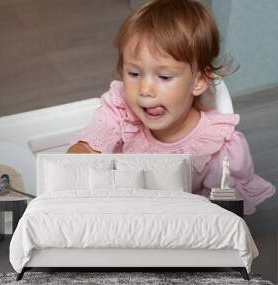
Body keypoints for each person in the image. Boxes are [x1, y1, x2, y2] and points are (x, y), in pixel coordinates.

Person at [67, 0, 275, 215]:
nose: (145, 89)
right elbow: (92, 142)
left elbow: (222, 220)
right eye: (134, 74)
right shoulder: (121, 110)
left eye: (164, 76)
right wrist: (77, 161)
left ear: (198, 81)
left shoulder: (219, 150)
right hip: (122, 215)